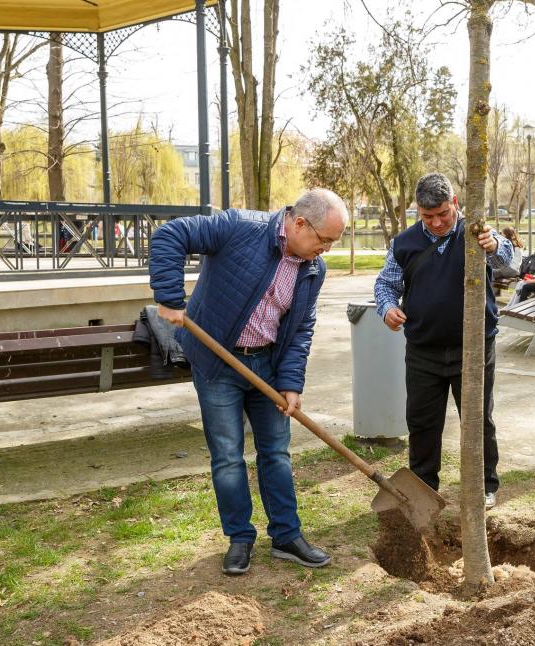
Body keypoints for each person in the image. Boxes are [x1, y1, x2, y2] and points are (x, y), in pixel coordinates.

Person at [149, 188, 349, 576]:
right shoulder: (238, 226)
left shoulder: (312, 269)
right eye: (324, 240)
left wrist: (291, 382)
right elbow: (170, 235)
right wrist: (170, 296)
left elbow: (300, 329)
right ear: (299, 223)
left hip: (268, 367)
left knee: (276, 453)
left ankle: (287, 535)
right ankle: (240, 538)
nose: (325, 250)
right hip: (217, 364)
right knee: (227, 457)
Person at [374, 172, 512, 509]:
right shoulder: (403, 243)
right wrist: (388, 308)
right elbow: (385, 285)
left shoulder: (477, 233)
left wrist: (494, 244)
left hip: (475, 347)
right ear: (417, 211)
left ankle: (483, 486)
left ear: (455, 204)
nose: (436, 223)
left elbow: (506, 260)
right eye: (427, 216)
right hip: (423, 349)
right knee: (422, 423)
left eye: (443, 214)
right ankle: (423, 489)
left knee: (478, 419)